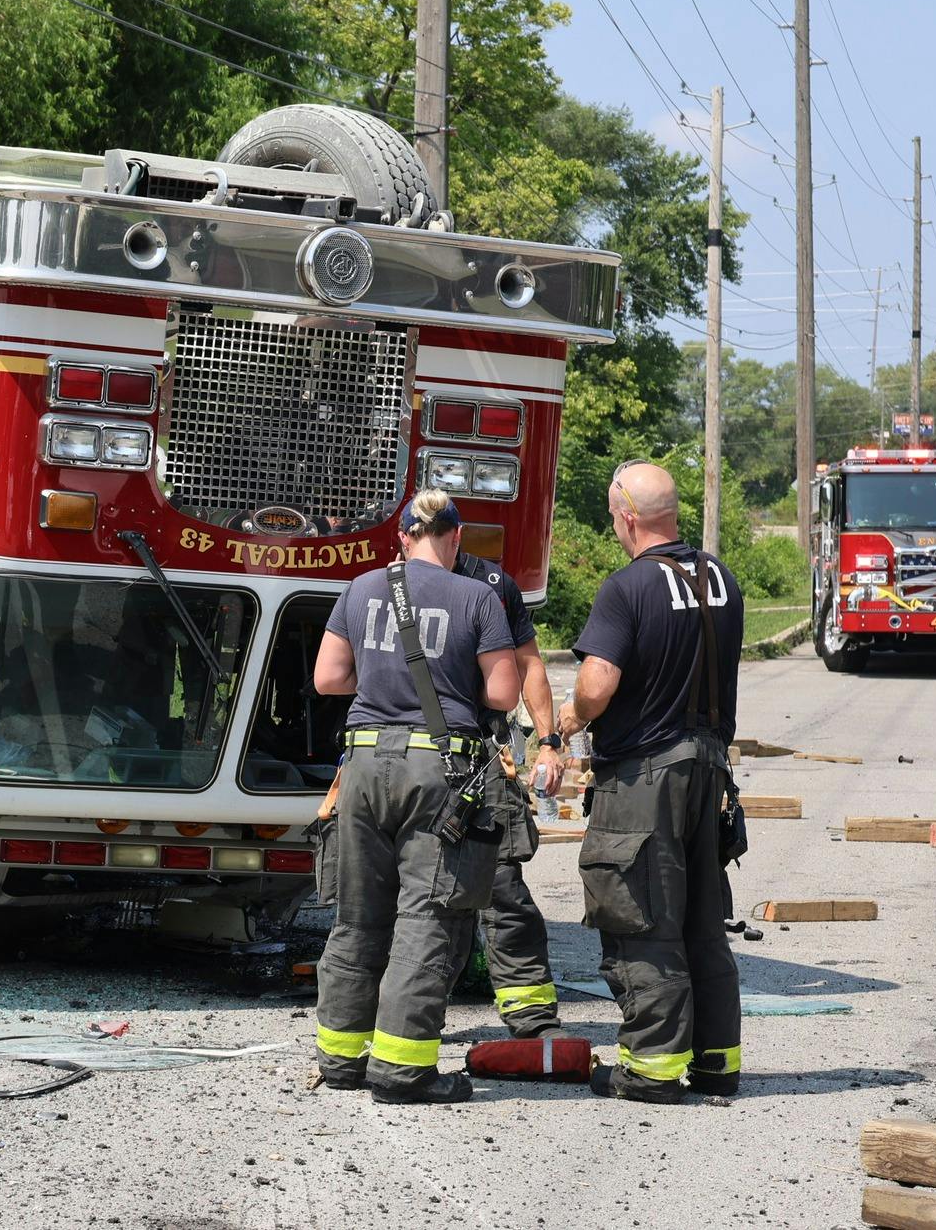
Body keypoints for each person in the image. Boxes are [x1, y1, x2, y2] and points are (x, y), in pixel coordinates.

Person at [311, 490, 520, 1104]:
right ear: (455, 540)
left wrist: (382, 682)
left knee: (356, 916)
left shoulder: (360, 589)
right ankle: (402, 1069)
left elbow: (329, 679)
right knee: (426, 917)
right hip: (438, 772)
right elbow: (504, 694)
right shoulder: (477, 596)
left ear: (401, 538)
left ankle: (340, 1060)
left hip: (362, 766)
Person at [559, 460, 744, 1104]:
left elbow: (598, 683)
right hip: (710, 770)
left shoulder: (627, 588)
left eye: (614, 513)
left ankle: (653, 1067)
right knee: (700, 918)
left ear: (628, 516)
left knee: (641, 914)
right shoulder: (719, 578)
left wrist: (573, 715)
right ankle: (717, 1061)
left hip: (645, 777)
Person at [453, 548, 567, 1037]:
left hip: (480, 756)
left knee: (500, 886)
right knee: (413, 893)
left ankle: (531, 1017)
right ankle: (404, 1020)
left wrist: (548, 743)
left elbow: (529, 664)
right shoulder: (385, 587)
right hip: (419, 759)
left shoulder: (494, 584)